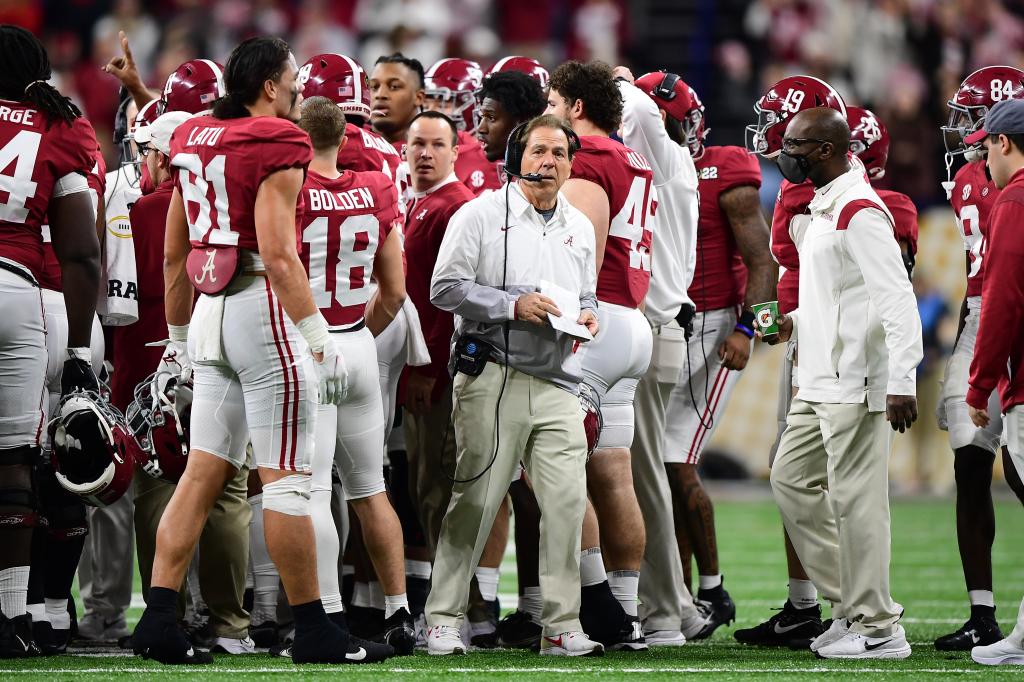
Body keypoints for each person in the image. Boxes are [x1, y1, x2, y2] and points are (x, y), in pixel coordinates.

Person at [129, 36, 385, 665]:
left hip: (211, 307)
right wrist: (319, 336)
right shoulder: (280, 140)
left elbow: (174, 252)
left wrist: (183, 338)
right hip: (263, 308)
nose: (299, 92)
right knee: (290, 480)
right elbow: (277, 252)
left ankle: (159, 618)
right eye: (293, 81)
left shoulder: (190, 135)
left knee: (201, 472)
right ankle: (315, 630)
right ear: (269, 85)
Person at [425, 114, 602, 657]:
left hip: (557, 382)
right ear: (515, 158)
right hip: (493, 376)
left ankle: (560, 624)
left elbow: (588, 297)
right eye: (537, 151)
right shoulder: (478, 215)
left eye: (558, 154)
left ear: (571, 164)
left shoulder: (580, 226)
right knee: (475, 500)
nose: (547, 162)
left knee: (568, 503)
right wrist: (510, 304)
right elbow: (444, 288)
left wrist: (590, 318)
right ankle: (442, 618)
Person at [766, 107, 921, 660]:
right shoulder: (825, 208)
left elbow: (896, 300)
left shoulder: (859, 211)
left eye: (795, 144)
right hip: (819, 378)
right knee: (789, 481)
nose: (784, 152)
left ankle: (879, 628)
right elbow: (834, 302)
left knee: (859, 505)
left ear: (827, 151)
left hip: (855, 380)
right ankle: (853, 605)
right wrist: (794, 323)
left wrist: (903, 379)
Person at [641, 73, 775, 636]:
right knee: (651, 466)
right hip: (659, 323)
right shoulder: (632, 164)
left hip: (714, 325)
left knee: (673, 461)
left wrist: (751, 327)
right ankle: (678, 599)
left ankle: (712, 592)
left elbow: (764, 261)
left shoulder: (725, 169)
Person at [295, 95, 413, 654]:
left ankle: (332, 619)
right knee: (371, 489)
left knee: (315, 491)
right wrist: (360, 330)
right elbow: (395, 291)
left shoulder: (286, 189)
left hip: (307, 347)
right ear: (346, 137)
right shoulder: (376, 187)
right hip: (357, 343)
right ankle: (399, 611)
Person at [0, 24, 101, 658]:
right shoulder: (60, 125)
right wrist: (80, 354)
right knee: (13, 458)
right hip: (18, 289)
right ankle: (14, 614)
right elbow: (82, 255)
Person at [545, 59, 653, 649]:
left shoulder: (588, 158)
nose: (548, 111)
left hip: (597, 320)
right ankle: (628, 612)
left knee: (554, 465)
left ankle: (598, 603)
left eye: (554, 100)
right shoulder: (634, 157)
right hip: (630, 320)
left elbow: (576, 247)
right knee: (611, 471)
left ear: (576, 108)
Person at [737, 75, 847, 648]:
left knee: (830, 481)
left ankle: (853, 605)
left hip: (833, 346)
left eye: (784, 123)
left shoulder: (840, 191)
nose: (775, 135)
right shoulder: (799, 185)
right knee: (793, 475)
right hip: (806, 335)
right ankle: (812, 603)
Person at [935, 66, 1024, 651]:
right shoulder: (972, 175)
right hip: (979, 315)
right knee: (971, 462)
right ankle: (983, 612)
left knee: (1018, 468)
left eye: (980, 124)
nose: (970, 134)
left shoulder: (1009, 187)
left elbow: (1008, 286)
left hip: (1002, 317)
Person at [962, 96, 1024, 667]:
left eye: (986, 146)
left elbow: (1002, 300)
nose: (984, 157)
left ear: (1003, 142)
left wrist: (979, 384)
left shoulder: (1014, 198)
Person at [423, 58, 503, 195]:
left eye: (444, 102)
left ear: (474, 104)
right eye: (427, 103)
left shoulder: (490, 153)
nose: (430, 112)